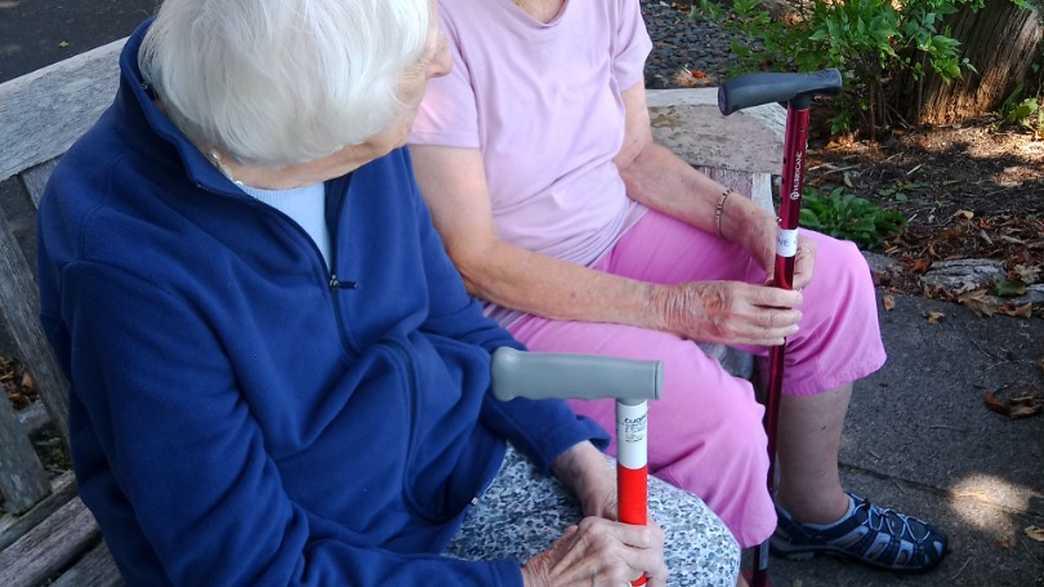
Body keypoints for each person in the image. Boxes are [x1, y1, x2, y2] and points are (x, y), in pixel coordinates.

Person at [35, 0, 741, 585]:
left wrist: (576, 452)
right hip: (322, 545)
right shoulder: (127, 266)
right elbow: (247, 568)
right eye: (412, 71)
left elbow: (453, 322)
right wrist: (528, 581)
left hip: (454, 468)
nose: (439, 62)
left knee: (699, 555)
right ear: (310, 141)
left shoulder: (326, 100)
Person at [408, 0, 948, 573]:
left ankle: (810, 511)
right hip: (508, 300)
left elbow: (633, 156)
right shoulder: (434, 24)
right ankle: (724, 568)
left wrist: (744, 221)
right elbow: (474, 259)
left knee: (831, 277)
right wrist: (677, 308)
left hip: (615, 227)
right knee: (719, 421)